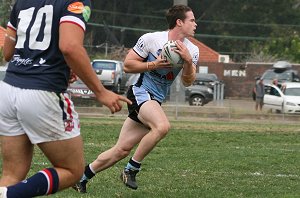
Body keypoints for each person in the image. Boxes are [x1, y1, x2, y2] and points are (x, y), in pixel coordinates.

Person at [0, 0, 131, 197]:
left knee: (12, 175)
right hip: (42, 91)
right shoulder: (74, 2)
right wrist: (101, 92)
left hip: (9, 89)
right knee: (72, 171)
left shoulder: (22, 2)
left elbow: (8, 53)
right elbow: (69, 46)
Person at [73, 4, 199, 193]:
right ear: (179, 22)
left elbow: (188, 82)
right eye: (192, 20)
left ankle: (81, 178)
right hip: (140, 92)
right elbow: (128, 65)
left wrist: (188, 61)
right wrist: (153, 64)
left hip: (154, 100)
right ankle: (131, 169)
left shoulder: (193, 50)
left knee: (121, 150)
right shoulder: (151, 39)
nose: (196, 24)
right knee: (162, 126)